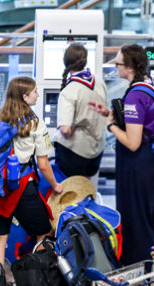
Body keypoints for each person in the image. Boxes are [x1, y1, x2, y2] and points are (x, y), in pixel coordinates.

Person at [90, 44, 154, 265]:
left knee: (135, 220)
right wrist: (110, 113)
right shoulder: (151, 85)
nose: (115, 67)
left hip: (138, 164)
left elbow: (132, 143)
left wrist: (110, 126)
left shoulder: (134, 96)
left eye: (119, 63)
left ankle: (136, 269)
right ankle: (150, 267)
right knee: (149, 217)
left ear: (131, 68)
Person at [0, 76, 63, 267]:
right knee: (43, 233)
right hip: (22, 186)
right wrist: (55, 185)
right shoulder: (35, 124)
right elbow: (43, 165)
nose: (37, 95)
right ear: (25, 96)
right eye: (34, 92)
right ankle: (39, 279)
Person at [54, 43, 107, 187]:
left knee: (70, 191)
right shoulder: (99, 82)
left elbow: (65, 130)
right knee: (85, 187)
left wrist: (74, 126)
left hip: (75, 153)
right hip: (96, 150)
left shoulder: (69, 90)